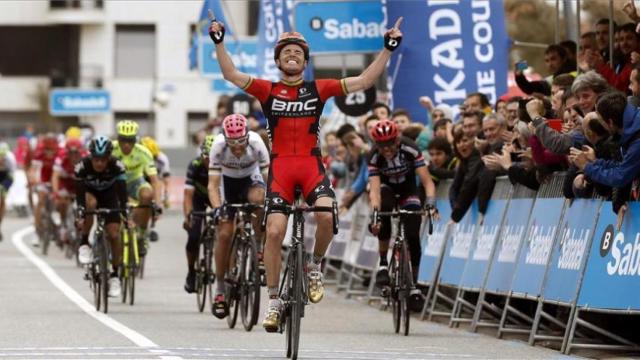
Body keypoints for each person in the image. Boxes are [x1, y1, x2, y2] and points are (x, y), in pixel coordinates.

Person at [209, 13, 405, 331]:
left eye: (298, 52)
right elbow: (230, 73)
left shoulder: (320, 88)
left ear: (305, 61)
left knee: (326, 217)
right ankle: (273, 301)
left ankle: (314, 265)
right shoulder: (267, 89)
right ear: (278, 59)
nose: (292, 55)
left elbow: (364, 81)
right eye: (286, 51)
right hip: (282, 169)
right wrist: (218, 42)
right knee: (273, 232)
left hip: (311, 166)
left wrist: (388, 49)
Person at [366, 120, 438, 310]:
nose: (386, 149)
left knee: (413, 235)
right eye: (381, 145)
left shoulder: (411, 149)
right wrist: (375, 214)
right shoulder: (373, 156)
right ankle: (383, 263)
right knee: (384, 210)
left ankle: (414, 284)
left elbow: (427, 182)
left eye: (390, 143)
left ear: (397, 139)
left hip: (408, 190)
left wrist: (430, 204)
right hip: (386, 189)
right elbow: (375, 191)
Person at [207, 114, 269, 319]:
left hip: (252, 178)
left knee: (260, 199)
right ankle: (220, 289)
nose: (237, 148)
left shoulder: (257, 143)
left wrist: (274, 201)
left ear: (246, 137)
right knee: (224, 234)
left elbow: (270, 179)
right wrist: (217, 208)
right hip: (228, 184)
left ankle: (258, 248)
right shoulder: (217, 147)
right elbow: (213, 186)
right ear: (225, 139)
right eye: (232, 144)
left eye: (241, 142)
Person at [75, 136, 129, 298]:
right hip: (90, 194)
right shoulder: (82, 166)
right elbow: (79, 192)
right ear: (91, 157)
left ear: (109, 158)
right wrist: (80, 211)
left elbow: (122, 192)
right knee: (90, 206)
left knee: (113, 234)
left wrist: (124, 212)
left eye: (103, 160)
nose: (99, 163)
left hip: (109, 196)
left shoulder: (117, 166)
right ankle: (84, 243)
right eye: (96, 160)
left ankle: (115, 275)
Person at [112, 120, 162, 256]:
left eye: (130, 140)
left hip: (135, 182)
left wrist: (158, 204)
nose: (126, 144)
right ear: (118, 139)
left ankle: (141, 232)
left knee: (147, 194)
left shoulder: (144, 153)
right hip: (116, 183)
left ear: (135, 140)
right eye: (123, 140)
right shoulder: (111, 149)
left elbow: (155, 181)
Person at [183, 135, 215, 294]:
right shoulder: (195, 165)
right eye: (207, 158)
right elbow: (188, 195)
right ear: (202, 155)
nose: (210, 162)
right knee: (194, 236)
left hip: (217, 196)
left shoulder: (224, 165)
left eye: (213, 158)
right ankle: (191, 271)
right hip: (199, 199)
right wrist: (188, 216)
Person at [51, 138, 88, 245]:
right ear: (66, 152)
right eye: (70, 153)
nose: (73, 156)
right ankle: (63, 225)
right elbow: (55, 176)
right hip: (65, 183)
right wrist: (56, 193)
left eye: (76, 152)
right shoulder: (61, 157)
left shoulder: (85, 158)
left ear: (80, 151)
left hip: (79, 183)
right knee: (62, 201)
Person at [28, 134, 62, 245]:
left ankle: (59, 228)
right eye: (47, 149)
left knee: (60, 202)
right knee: (41, 200)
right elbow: (33, 170)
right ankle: (37, 231)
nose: (49, 152)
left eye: (51, 149)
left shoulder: (60, 154)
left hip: (58, 181)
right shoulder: (39, 154)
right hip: (44, 181)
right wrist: (33, 180)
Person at [141, 136, 172, 209]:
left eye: (154, 157)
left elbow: (166, 180)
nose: (152, 159)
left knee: (157, 183)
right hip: (141, 176)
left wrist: (166, 197)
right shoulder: (138, 156)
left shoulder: (162, 159)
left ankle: (156, 209)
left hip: (155, 177)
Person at [0, 143, 16, 240]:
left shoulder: (10, 160)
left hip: (5, 177)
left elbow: (11, 177)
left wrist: (4, 188)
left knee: (2, 199)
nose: (1, 159)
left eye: (3, 157)